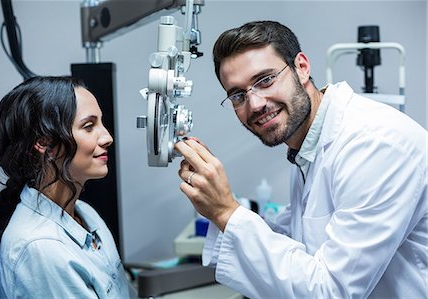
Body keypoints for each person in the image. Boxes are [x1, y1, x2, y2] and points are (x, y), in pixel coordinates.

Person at [175, 21, 427, 298]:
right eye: (238, 95)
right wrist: (216, 205)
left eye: (265, 80)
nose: (255, 104)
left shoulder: (374, 145)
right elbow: (299, 243)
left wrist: (226, 211)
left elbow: (332, 291)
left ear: (302, 68)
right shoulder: (309, 144)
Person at [0, 76, 131, 298]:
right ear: (45, 144)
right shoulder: (41, 248)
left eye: (101, 123)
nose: (107, 137)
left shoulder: (86, 214)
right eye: (88, 126)